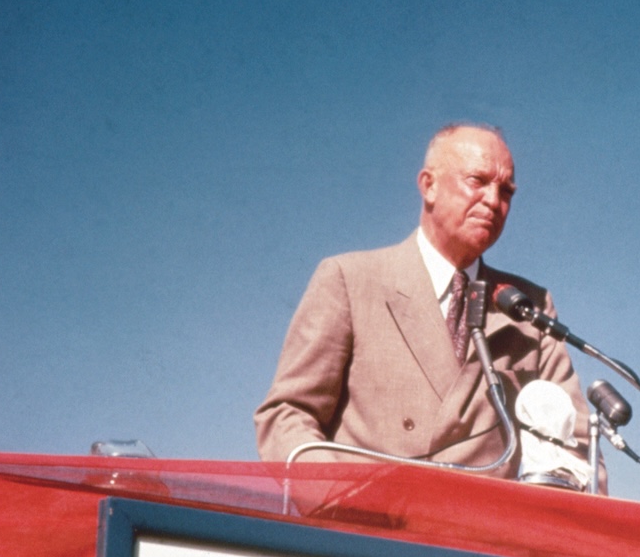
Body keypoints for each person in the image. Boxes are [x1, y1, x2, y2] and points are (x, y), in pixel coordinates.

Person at [254, 125, 594, 478]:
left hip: (480, 528)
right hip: (365, 524)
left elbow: (577, 446)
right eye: (477, 181)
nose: (494, 201)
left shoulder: (528, 307)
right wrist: (337, 497)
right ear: (428, 185)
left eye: (506, 190)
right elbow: (287, 414)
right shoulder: (351, 280)